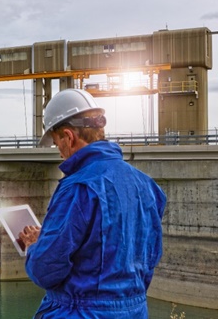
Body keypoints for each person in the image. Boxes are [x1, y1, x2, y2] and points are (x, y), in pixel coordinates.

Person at [19, 88, 166, 319]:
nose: (59, 152)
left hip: (80, 312)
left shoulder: (78, 188)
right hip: (134, 311)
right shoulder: (147, 186)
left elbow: (45, 270)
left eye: (57, 143)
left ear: (69, 136)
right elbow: (148, 259)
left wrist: (34, 246)